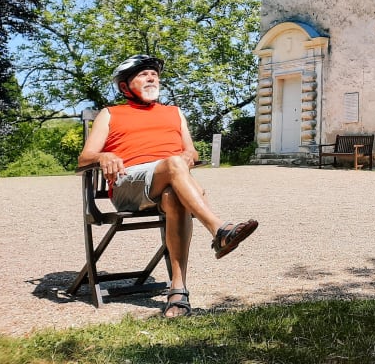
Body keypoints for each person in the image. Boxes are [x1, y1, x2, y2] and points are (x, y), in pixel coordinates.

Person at [77, 54, 258, 318]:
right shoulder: (110, 114)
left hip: (169, 182)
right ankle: (219, 230)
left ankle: (178, 291)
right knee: (174, 164)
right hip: (130, 185)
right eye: (143, 74)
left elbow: (192, 152)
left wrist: (189, 157)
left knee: (175, 195)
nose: (152, 77)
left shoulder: (174, 113)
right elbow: (84, 158)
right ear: (125, 87)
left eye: (154, 74)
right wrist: (103, 156)